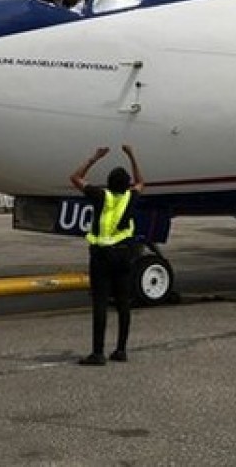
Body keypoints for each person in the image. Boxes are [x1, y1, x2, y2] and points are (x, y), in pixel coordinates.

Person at [69, 144, 145, 365]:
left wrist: (95, 158)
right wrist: (132, 155)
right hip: (124, 255)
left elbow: (75, 177)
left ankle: (98, 353)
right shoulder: (130, 197)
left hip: (101, 256)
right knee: (123, 303)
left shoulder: (101, 195)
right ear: (127, 184)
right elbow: (141, 182)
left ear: (109, 183)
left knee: (100, 303)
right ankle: (121, 350)